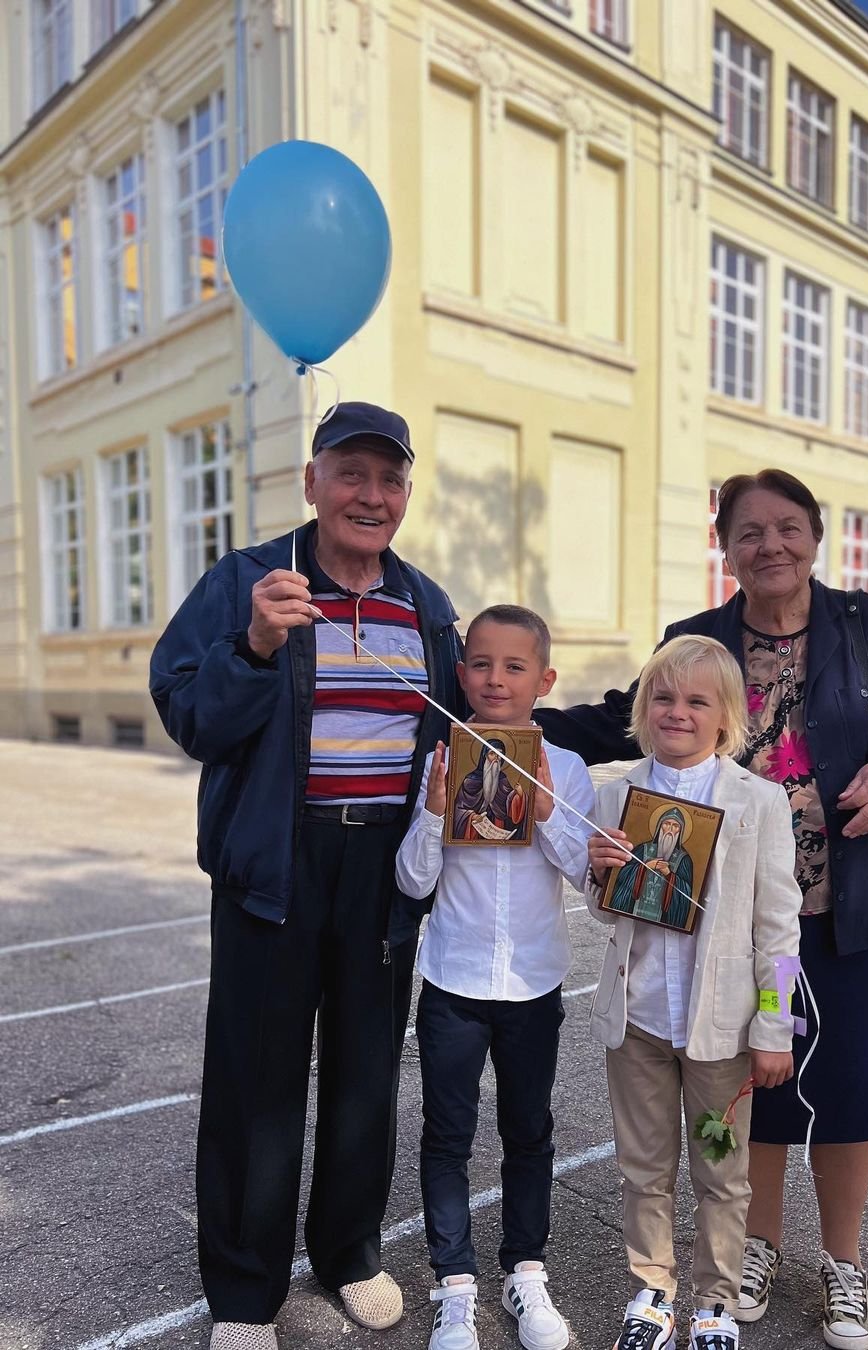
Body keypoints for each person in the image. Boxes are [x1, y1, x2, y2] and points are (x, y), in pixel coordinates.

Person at [537, 469, 868, 1350]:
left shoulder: (864, 625)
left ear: (815, 535)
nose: (771, 545)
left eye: (788, 527)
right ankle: (753, 1246)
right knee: (742, 1085)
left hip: (843, 904)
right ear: (724, 546)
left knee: (852, 1084)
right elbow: (632, 719)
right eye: (750, 531)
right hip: (722, 915)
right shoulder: (697, 638)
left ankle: (842, 1262)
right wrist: (515, 717)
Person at [150, 403, 468, 1350]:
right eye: (353, 474)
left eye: (390, 479)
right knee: (256, 1077)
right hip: (275, 862)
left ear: (405, 493)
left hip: (380, 867)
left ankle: (349, 1253)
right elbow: (186, 713)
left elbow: (463, 727)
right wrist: (252, 648)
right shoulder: (250, 581)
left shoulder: (426, 604)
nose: (372, 496)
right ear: (313, 482)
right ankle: (247, 1293)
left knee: (368, 1070)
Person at [584, 635, 803, 1350]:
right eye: (664, 697)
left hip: (723, 1030)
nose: (677, 712)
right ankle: (652, 1291)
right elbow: (605, 912)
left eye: (697, 701)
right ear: (645, 707)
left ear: (725, 717)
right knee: (643, 1169)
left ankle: (714, 1300)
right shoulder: (616, 795)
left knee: (721, 1173)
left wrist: (774, 1027)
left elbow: (778, 930)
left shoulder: (759, 802)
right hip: (640, 1018)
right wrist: (602, 872)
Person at [396, 605, 595, 1350]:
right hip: (453, 980)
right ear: (461, 673)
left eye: (514, 667)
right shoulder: (442, 759)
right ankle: (454, 1282)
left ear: (543, 679)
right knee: (447, 1133)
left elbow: (584, 872)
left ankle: (526, 1270)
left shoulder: (567, 766)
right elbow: (414, 886)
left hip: (533, 984)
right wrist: (435, 814)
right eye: (480, 664)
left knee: (528, 1130)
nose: (495, 679)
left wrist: (545, 811)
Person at [608, 805, 695, 928]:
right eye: (667, 824)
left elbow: (686, 893)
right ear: (660, 826)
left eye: (675, 826)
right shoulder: (643, 849)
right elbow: (623, 874)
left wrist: (669, 875)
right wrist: (645, 867)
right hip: (634, 913)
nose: (670, 829)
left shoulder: (683, 860)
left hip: (663, 919)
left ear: (680, 831)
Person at [452, 736, 527, 841]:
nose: (496, 758)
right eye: (492, 753)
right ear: (485, 756)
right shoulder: (471, 781)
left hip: (498, 826)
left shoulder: (502, 779)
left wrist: (519, 795)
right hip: (476, 828)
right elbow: (458, 809)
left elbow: (509, 803)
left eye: (500, 754)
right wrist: (472, 816)